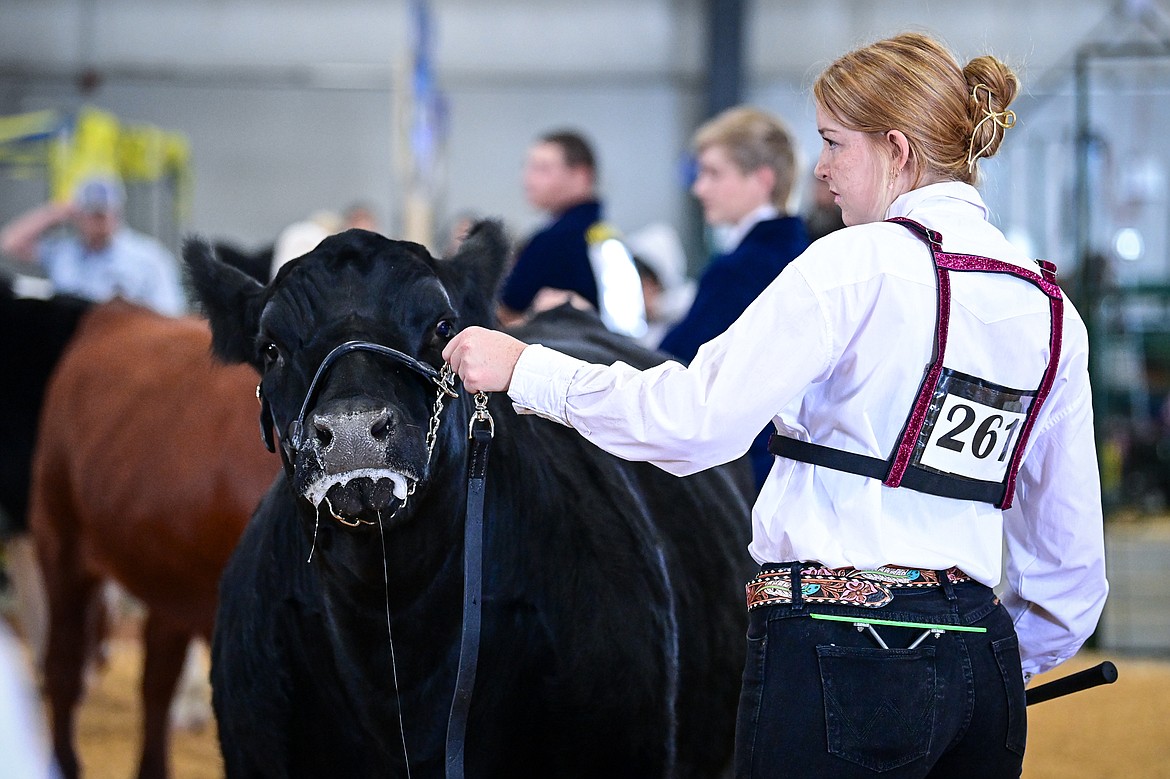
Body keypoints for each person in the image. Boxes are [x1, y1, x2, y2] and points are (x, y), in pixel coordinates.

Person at [444, 32, 1107, 778]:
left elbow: (695, 422)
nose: (820, 172)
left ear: (896, 148)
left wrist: (529, 368)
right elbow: (1070, 572)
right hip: (982, 669)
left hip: (835, 647)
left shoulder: (852, 265)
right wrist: (970, 665)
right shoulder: (1051, 308)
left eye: (832, 143)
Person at [658, 106, 809, 491]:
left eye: (713, 173)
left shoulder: (746, 267)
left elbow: (672, 364)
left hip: (742, 477)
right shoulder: (799, 252)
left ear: (761, 180)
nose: (699, 188)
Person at [497, 129, 645, 336]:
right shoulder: (602, 232)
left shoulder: (557, 240)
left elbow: (505, 310)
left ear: (581, 175)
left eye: (543, 169)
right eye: (527, 167)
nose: (528, 179)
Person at [0, 176, 185, 316]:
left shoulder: (149, 258)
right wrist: (56, 212)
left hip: (125, 347)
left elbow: (170, 315)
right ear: (78, 214)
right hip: (71, 346)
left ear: (117, 213)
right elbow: (9, 243)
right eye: (92, 214)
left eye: (103, 214)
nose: (99, 222)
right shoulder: (63, 253)